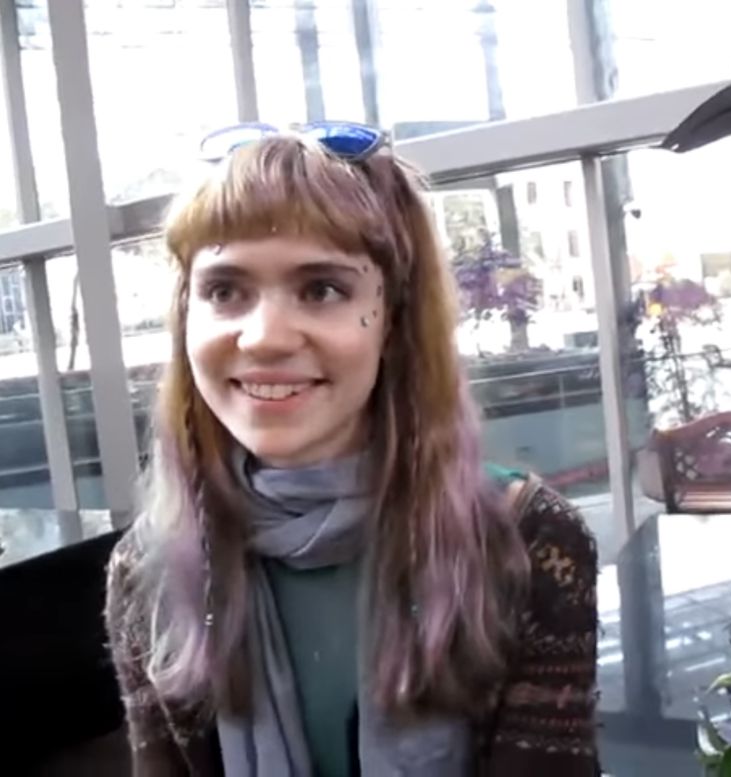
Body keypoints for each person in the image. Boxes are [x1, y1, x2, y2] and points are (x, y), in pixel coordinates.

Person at [105, 122, 599, 777]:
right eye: (225, 290)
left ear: (392, 320)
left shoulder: (526, 541)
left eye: (322, 289)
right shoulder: (148, 569)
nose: (263, 337)